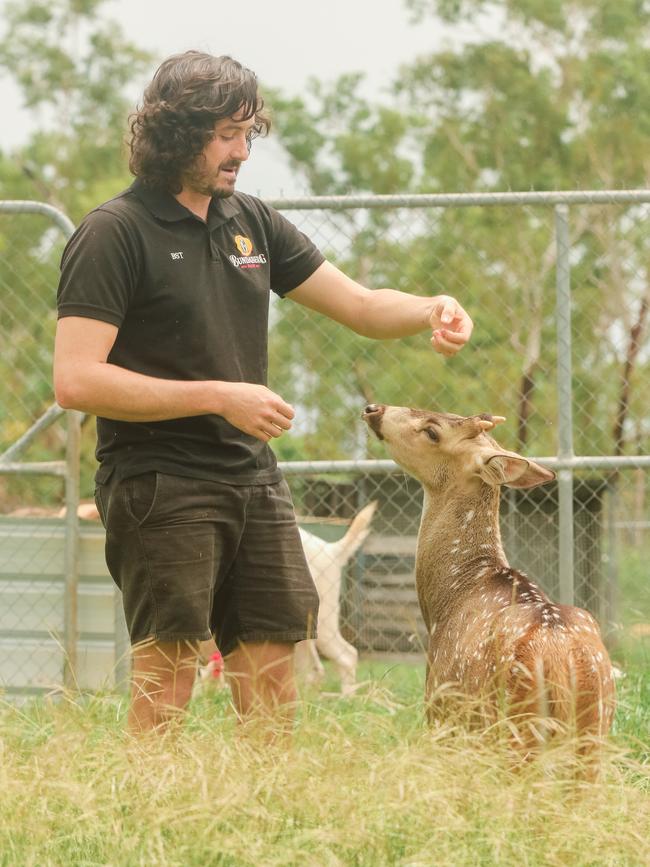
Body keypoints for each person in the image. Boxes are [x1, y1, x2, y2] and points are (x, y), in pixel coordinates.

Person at [54, 50, 474, 734]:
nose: (243, 150)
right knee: (170, 672)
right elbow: (76, 380)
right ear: (174, 133)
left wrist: (432, 307)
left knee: (275, 667)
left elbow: (364, 305)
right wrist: (219, 395)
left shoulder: (250, 220)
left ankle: (262, 823)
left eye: (249, 132)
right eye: (226, 134)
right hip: (159, 480)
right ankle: (138, 820)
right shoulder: (114, 233)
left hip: (251, 476)